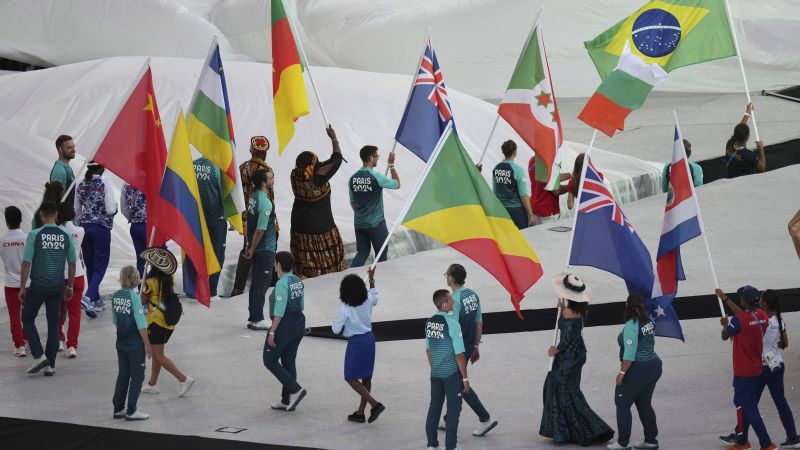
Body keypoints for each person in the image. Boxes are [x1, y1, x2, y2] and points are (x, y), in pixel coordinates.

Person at [717, 289, 799, 449]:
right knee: (781, 402)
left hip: (762, 367)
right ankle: (793, 436)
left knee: (748, 404)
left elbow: (743, 317)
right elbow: (784, 344)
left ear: (765, 304)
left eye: (761, 299)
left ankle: (741, 437)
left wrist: (726, 300)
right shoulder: (779, 320)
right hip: (778, 365)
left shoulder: (760, 317)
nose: (758, 300)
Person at [541, 273, 614, 445]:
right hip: (579, 353)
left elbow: (566, 339)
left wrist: (555, 349)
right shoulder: (582, 308)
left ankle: (584, 429)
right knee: (571, 390)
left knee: (560, 388)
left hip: (568, 355)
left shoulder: (568, 312)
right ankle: (573, 429)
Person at [438, 264, 498, 437]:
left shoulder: (453, 301)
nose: (446, 277)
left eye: (446, 274)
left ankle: (484, 418)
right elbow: (479, 321)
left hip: (457, 349)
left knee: (459, 384)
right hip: (469, 346)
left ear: (451, 277)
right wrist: (476, 346)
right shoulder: (472, 295)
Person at [19, 201, 76, 377]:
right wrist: (70, 286)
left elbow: (26, 263)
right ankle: (50, 365)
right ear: (56, 215)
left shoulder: (35, 235)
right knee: (53, 324)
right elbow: (72, 263)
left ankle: (38, 355)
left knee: (27, 317)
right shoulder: (67, 235)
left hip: (38, 286)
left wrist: (22, 287)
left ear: (42, 216)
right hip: (57, 287)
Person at [719, 285, 775, 450]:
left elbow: (725, 335)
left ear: (744, 300)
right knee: (741, 404)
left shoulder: (739, 320)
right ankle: (742, 441)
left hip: (743, 370)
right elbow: (745, 318)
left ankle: (766, 443)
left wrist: (724, 324)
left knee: (749, 408)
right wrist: (725, 299)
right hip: (755, 367)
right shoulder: (763, 316)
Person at [608, 294, 662, 450]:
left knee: (622, 403)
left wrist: (622, 373)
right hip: (654, 365)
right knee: (644, 404)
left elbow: (629, 354)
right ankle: (651, 441)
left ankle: (623, 443)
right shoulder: (649, 321)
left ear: (627, 307)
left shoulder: (632, 326)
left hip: (638, 368)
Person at [290, 126, 346, 276]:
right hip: (322, 227)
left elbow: (323, 165)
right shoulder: (319, 179)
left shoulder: (295, 176)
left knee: (305, 263)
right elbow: (337, 159)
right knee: (329, 264)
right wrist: (333, 138)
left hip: (300, 227)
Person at [332, 266, 385, 424]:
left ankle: (374, 404)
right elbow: (375, 296)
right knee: (366, 376)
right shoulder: (368, 298)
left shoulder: (345, 308)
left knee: (350, 376)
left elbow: (335, 330)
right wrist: (371, 279)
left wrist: (338, 322)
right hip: (369, 338)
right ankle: (361, 412)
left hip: (356, 342)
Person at [139, 248, 195, 397]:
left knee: (157, 355)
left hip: (155, 322)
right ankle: (152, 384)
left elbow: (141, 302)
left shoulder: (149, 283)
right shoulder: (170, 279)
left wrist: (141, 286)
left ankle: (183, 379)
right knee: (159, 354)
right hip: (168, 323)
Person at [231, 136, 277, 297]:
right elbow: (269, 197)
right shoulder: (267, 171)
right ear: (265, 153)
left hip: (247, 215)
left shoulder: (242, 167)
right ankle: (269, 285)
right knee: (268, 250)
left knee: (247, 248)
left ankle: (238, 288)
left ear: (252, 151)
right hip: (264, 214)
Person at [425, 289, 469, 450]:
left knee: (434, 407)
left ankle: (431, 444)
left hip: (435, 374)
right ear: (443, 304)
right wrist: (465, 378)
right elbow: (459, 355)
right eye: (451, 300)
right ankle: (451, 446)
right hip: (451, 376)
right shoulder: (453, 325)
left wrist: (435, 367)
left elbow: (428, 350)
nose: (454, 302)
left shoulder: (429, 322)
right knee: (453, 411)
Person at [265, 251, 308, 412]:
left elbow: (280, 311)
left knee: (269, 360)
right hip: (299, 324)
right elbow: (301, 305)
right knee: (289, 361)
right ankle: (285, 400)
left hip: (285, 325)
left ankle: (296, 390)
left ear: (279, 265)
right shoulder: (297, 281)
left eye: (275, 262)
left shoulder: (281, 284)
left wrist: (272, 332)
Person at [75, 161, 117, 312]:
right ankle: (87, 297)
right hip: (101, 227)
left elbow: (76, 210)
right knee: (100, 265)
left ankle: (96, 299)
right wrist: (116, 207)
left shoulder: (80, 184)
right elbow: (111, 209)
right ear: (102, 168)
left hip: (84, 227)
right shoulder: (105, 183)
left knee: (90, 264)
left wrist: (82, 221)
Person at [111, 266, 152, 421]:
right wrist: (147, 345)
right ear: (136, 279)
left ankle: (118, 408)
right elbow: (141, 325)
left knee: (123, 374)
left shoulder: (115, 296)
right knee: (137, 375)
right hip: (135, 343)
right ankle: (132, 410)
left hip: (120, 341)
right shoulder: (135, 299)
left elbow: (115, 320)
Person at [349, 143, 400, 267]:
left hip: (359, 223)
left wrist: (362, 214)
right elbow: (397, 184)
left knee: (362, 253)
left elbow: (353, 203)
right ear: (371, 158)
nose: (378, 158)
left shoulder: (353, 178)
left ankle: (351, 278)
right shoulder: (376, 177)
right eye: (376, 156)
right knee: (381, 254)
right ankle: (381, 279)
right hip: (376, 223)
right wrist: (391, 165)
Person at [185, 156, 227, 302]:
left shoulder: (193, 164)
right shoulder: (218, 167)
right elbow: (225, 194)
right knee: (217, 253)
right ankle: (212, 291)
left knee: (194, 250)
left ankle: (192, 290)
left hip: (195, 216)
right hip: (215, 218)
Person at [244, 169, 277, 331]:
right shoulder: (265, 202)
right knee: (261, 284)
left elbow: (248, 224)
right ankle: (257, 319)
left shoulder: (253, 197)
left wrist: (249, 246)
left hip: (255, 246)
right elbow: (260, 230)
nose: (273, 180)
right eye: (271, 178)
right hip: (264, 248)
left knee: (256, 283)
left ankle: (252, 317)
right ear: (264, 183)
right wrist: (252, 247)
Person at [56, 203, 88, 358]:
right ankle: (72, 345)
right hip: (77, 276)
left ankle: (59, 340)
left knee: (57, 310)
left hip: (58, 276)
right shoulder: (80, 231)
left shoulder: (54, 232)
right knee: (75, 313)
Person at [0, 206, 28, 356]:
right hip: (28, 283)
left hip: (11, 283)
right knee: (28, 314)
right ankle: (27, 338)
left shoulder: (2, 240)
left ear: (6, 221)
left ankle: (19, 346)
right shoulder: (27, 238)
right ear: (21, 220)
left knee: (14, 315)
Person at [492, 140, 535, 229]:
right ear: (515, 152)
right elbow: (523, 195)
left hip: (501, 211)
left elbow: (495, 192)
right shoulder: (518, 170)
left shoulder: (496, 169)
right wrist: (531, 215)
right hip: (517, 212)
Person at [726, 103, 766, 179]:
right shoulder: (749, 155)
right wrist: (761, 149)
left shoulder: (729, 144)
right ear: (747, 137)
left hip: (731, 182)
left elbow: (740, 129)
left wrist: (747, 113)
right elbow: (762, 168)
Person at [528, 156, 571, 223]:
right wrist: (570, 186)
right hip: (547, 210)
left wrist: (569, 176)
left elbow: (548, 177)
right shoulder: (550, 162)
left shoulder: (532, 160)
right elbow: (556, 191)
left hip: (534, 208)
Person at [121, 183, 147, 277]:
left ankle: (142, 288)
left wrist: (133, 218)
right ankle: (156, 287)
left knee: (140, 259)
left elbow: (124, 209)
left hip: (135, 226)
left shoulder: (125, 185)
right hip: (149, 225)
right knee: (158, 258)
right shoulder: (151, 179)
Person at [50, 134, 76, 207]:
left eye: (73, 147)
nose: (73, 150)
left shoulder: (67, 167)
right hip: (63, 216)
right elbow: (57, 199)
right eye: (69, 148)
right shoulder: (60, 170)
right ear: (60, 149)